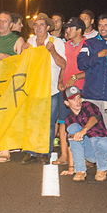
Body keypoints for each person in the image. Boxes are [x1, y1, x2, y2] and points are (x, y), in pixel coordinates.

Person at [78, 13, 107, 168]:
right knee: (90, 126)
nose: (103, 28)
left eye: (106, 25)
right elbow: (81, 63)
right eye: (100, 25)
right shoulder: (89, 44)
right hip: (91, 93)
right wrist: (98, 55)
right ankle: (90, 158)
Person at [25, 13, 69, 165]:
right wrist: (23, 52)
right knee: (32, 121)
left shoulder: (56, 42)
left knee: (49, 123)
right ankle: (30, 151)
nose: (38, 27)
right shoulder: (30, 42)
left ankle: (45, 151)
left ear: (48, 27)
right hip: (33, 89)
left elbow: (63, 64)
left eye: (41, 25)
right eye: (36, 25)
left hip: (51, 90)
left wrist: (52, 51)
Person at [0, 12, 29, 163]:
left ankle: (5, 151)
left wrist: (9, 58)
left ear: (11, 24)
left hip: (10, 85)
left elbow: (24, 61)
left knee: (7, 116)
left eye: (5, 21)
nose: (2, 23)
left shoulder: (17, 40)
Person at [64, 86, 107, 181]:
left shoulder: (88, 105)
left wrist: (84, 130)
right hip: (89, 150)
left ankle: (102, 170)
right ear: (67, 103)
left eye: (79, 97)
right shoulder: (69, 119)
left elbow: (94, 117)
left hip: (102, 142)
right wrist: (71, 167)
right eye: (73, 99)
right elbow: (71, 144)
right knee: (73, 128)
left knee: (105, 143)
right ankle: (80, 170)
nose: (78, 101)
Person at [60, 17, 88, 95]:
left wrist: (75, 77)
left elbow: (93, 69)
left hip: (81, 89)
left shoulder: (88, 45)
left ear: (79, 30)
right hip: (65, 88)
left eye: (71, 28)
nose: (67, 31)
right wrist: (60, 81)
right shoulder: (66, 45)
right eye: (67, 28)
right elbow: (63, 65)